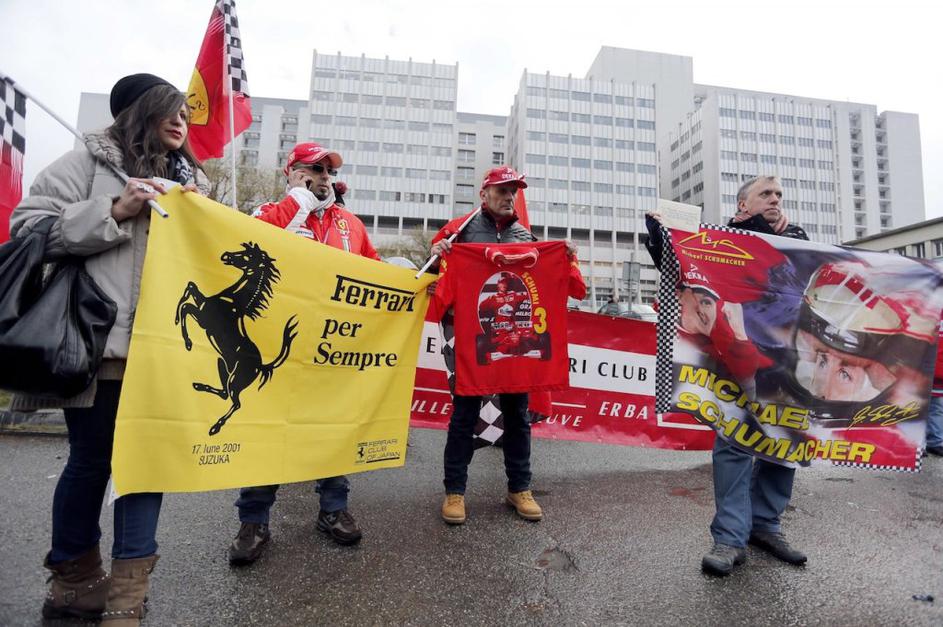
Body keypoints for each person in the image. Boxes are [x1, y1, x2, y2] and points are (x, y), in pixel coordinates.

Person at [9, 73, 208, 624]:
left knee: (147, 467)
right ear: (138, 112)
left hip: (166, 353)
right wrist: (114, 210)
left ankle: (127, 599)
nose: (180, 122)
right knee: (92, 461)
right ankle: (73, 582)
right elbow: (28, 230)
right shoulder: (83, 166)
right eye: (169, 110)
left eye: (185, 115)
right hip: (103, 349)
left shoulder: (196, 184)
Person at [647, 175, 809, 576]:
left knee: (783, 444)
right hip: (735, 364)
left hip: (784, 364)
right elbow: (680, 269)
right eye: (765, 194)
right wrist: (660, 235)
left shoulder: (797, 239)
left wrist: (787, 239)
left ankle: (765, 526)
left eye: (778, 194)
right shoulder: (721, 239)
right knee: (735, 445)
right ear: (743, 205)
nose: (775, 199)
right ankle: (730, 538)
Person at [228, 142, 379, 566]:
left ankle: (333, 509)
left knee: (331, 428)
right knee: (268, 431)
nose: (323, 176)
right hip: (276, 343)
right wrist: (298, 200)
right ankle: (253, 520)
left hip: (331, 347)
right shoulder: (270, 211)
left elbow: (375, 271)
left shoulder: (350, 223)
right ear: (292, 172)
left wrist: (414, 275)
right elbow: (249, 244)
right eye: (314, 168)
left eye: (328, 171)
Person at [429, 166, 582, 525]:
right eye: (501, 190)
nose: (509, 196)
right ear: (484, 194)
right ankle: (455, 491)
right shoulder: (459, 230)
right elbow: (431, 279)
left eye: (513, 191)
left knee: (517, 416)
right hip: (472, 339)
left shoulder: (525, 236)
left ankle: (520, 488)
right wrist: (438, 254)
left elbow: (564, 286)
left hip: (514, 345)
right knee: (464, 416)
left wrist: (567, 255)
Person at [928, 317, 943, 457]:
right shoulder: (927, 311)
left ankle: (935, 442)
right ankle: (915, 445)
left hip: (939, 374)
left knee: (936, 408)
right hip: (920, 368)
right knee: (914, 407)